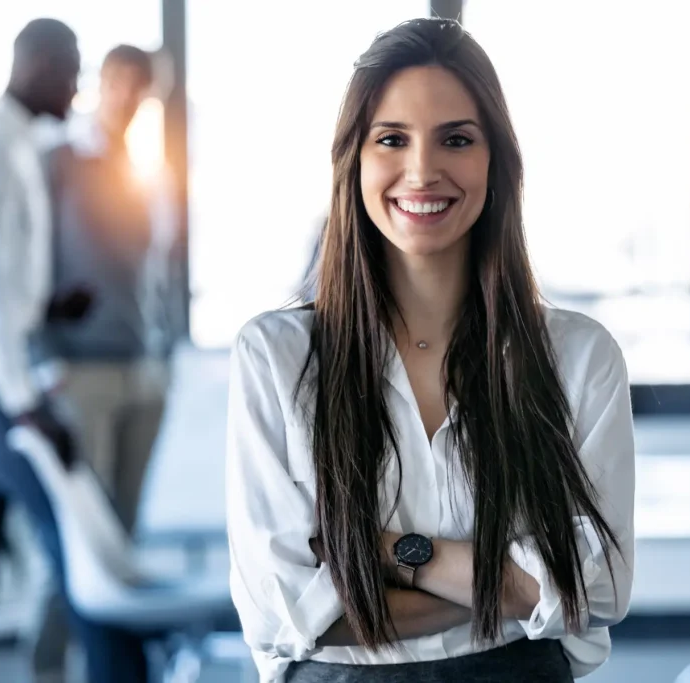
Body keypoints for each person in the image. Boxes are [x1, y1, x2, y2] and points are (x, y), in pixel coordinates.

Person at [224, 17, 635, 683]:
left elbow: (600, 587)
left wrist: (391, 554)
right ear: (353, 160)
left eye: (456, 139)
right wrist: (510, 586)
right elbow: (283, 612)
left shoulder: (579, 356)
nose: (422, 169)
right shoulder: (276, 356)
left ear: (494, 158)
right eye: (392, 139)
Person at [0, 19, 148, 683]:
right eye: (71, 71)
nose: (76, 87)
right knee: (62, 506)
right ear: (38, 64)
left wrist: (45, 305)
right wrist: (24, 403)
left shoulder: (17, 143)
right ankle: (120, 673)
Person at [31, 43, 175, 683]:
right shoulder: (59, 158)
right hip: (80, 373)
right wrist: (41, 360)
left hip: (142, 370)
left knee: (119, 541)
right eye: (118, 83)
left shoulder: (147, 171)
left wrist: (164, 353)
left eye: (139, 88)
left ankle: (105, 670)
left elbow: (157, 274)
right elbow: (30, 264)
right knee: (80, 541)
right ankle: (46, 669)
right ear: (100, 84)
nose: (128, 96)